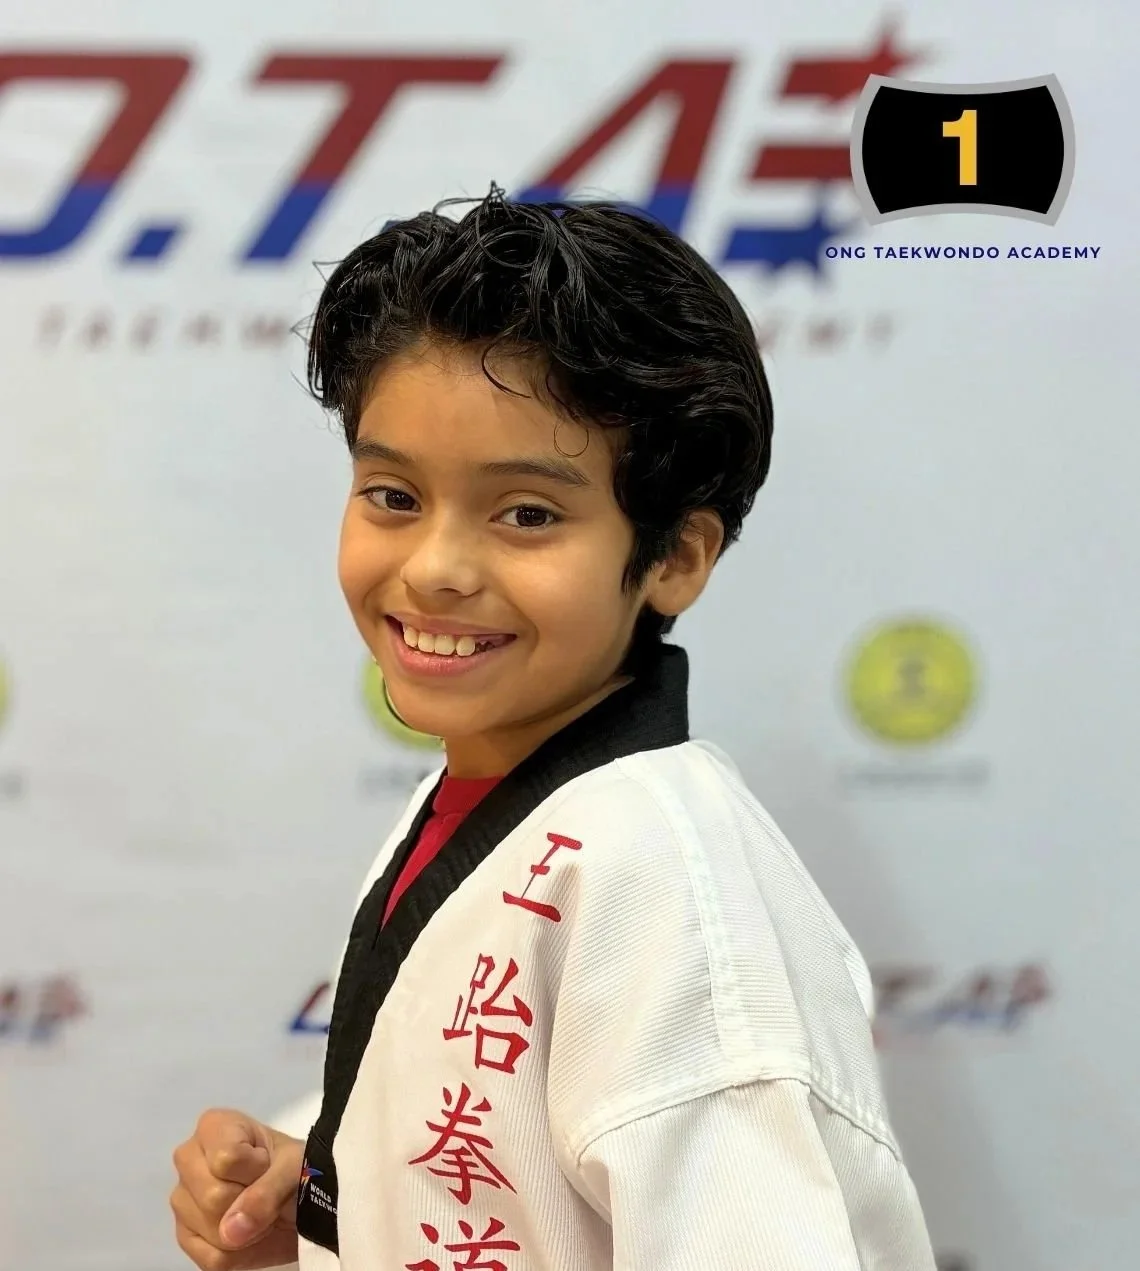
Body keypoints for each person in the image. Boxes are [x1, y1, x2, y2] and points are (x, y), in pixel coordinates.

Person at [171, 187, 937, 1270]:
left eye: (527, 513)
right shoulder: (500, 801)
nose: (434, 566)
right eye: (392, 493)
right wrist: (317, 1196)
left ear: (676, 556)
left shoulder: (666, 892)